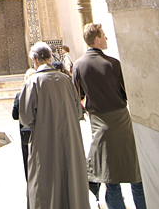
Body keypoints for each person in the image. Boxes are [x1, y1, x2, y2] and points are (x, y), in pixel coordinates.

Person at [72, 23, 147, 209]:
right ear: (97, 39)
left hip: (100, 126)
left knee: (110, 179)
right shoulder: (113, 64)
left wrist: (85, 109)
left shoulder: (79, 65)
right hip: (122, 123)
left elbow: (75, 97)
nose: (107, 38)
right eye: (104, 35)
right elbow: (126, 93)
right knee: (136, 178)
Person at [19, 42, 90, 209]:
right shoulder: (66, 80)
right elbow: (78, 112)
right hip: (70, 143)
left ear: (34, 60)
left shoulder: (32, 83)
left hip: (45, 144)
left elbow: (26, 119)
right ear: (50, 58)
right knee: (71, 181)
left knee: (46, 184)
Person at [12, 68, 35, 180]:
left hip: (26, 132)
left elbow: (15, 115)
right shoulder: (43, 93)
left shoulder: (19, 95)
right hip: (41, 131)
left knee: (27, 160)